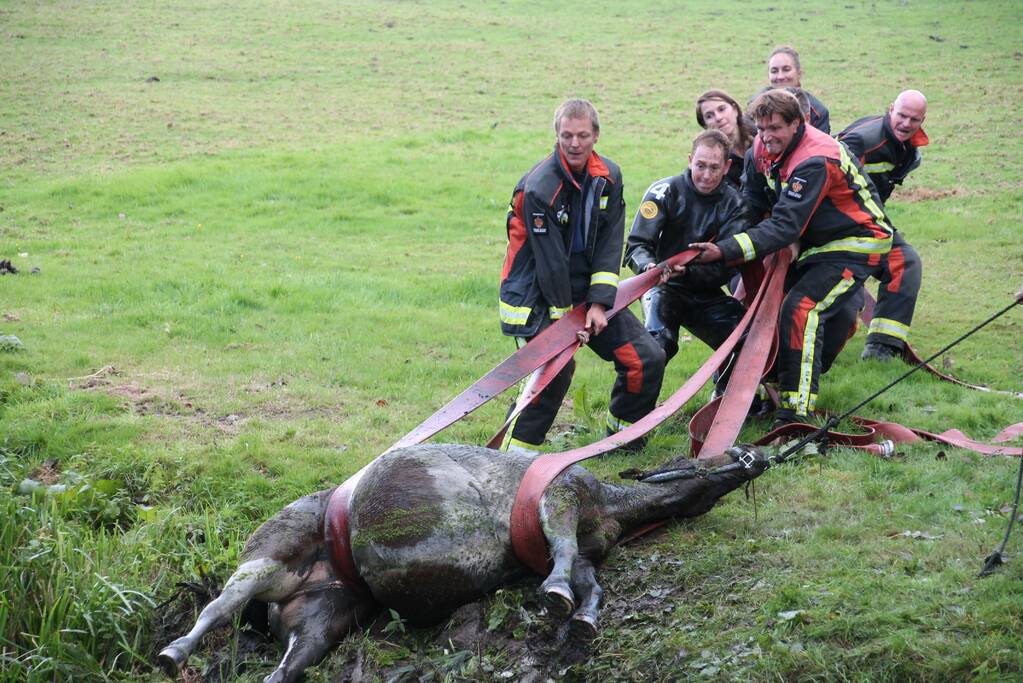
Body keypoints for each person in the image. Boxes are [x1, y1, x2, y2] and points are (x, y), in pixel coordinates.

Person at [690, 90, 893, 427]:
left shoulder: (816, 158)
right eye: (761, 128)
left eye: (775, 129)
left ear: (797, 123)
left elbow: (785, 226)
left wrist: (727, 251)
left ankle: (794, 413)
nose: (767, 137)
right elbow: (752, 201)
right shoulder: (760, 146)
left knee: (801, 308)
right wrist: (727, 238)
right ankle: (755, 388)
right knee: (771, 309)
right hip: (812, 242)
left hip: (856, 242)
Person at [498, 99, 665, 453]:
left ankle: (622, 441)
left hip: (583, 288)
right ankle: (514, 454)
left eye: (583, 135)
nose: (575, 144)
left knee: (646, 356)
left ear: (596, 135)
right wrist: (565, 320)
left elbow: (609, 241)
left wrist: (600, 304)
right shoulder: (538, 187)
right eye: (567, 136)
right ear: (556, 136)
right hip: (534, 293)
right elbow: (551, 263)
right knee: (554, 369)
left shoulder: (609, 176)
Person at [624, 129, 747, 366]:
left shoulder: (737, 206)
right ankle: (641, 403)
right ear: (690, 160)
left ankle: (726, 397)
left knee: (746, 339)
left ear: (727, 166)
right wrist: (649, 269)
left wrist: (690, 271)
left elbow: (729, 264)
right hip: (662, 285)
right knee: (658, 343)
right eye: (700, 165)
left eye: (714, 167)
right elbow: (636, 245)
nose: (707, 175)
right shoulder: (663, 191)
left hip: (706, 291)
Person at [838, 90, 929, 361]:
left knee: (906, 262)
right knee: (845, 290)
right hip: (838, 228)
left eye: (914, 119)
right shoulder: (860, 140)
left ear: (922, 120)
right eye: (902, 115)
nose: (906, 124)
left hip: (871, 225)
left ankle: (883, 347)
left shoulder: (909, 150)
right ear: (891, 109)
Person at [695, 90, 756, 189]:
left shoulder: (760, 132)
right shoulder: (713, 160)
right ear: (706, 126)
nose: (718, 118)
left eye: (722, 109)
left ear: (735, 109)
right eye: (709, 116)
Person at [766, 46, 830, 134]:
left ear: (799, 73)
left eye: (786, 69)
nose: (780, 76)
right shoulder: (756, 106)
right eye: (774, 71)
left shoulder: (817, 112)